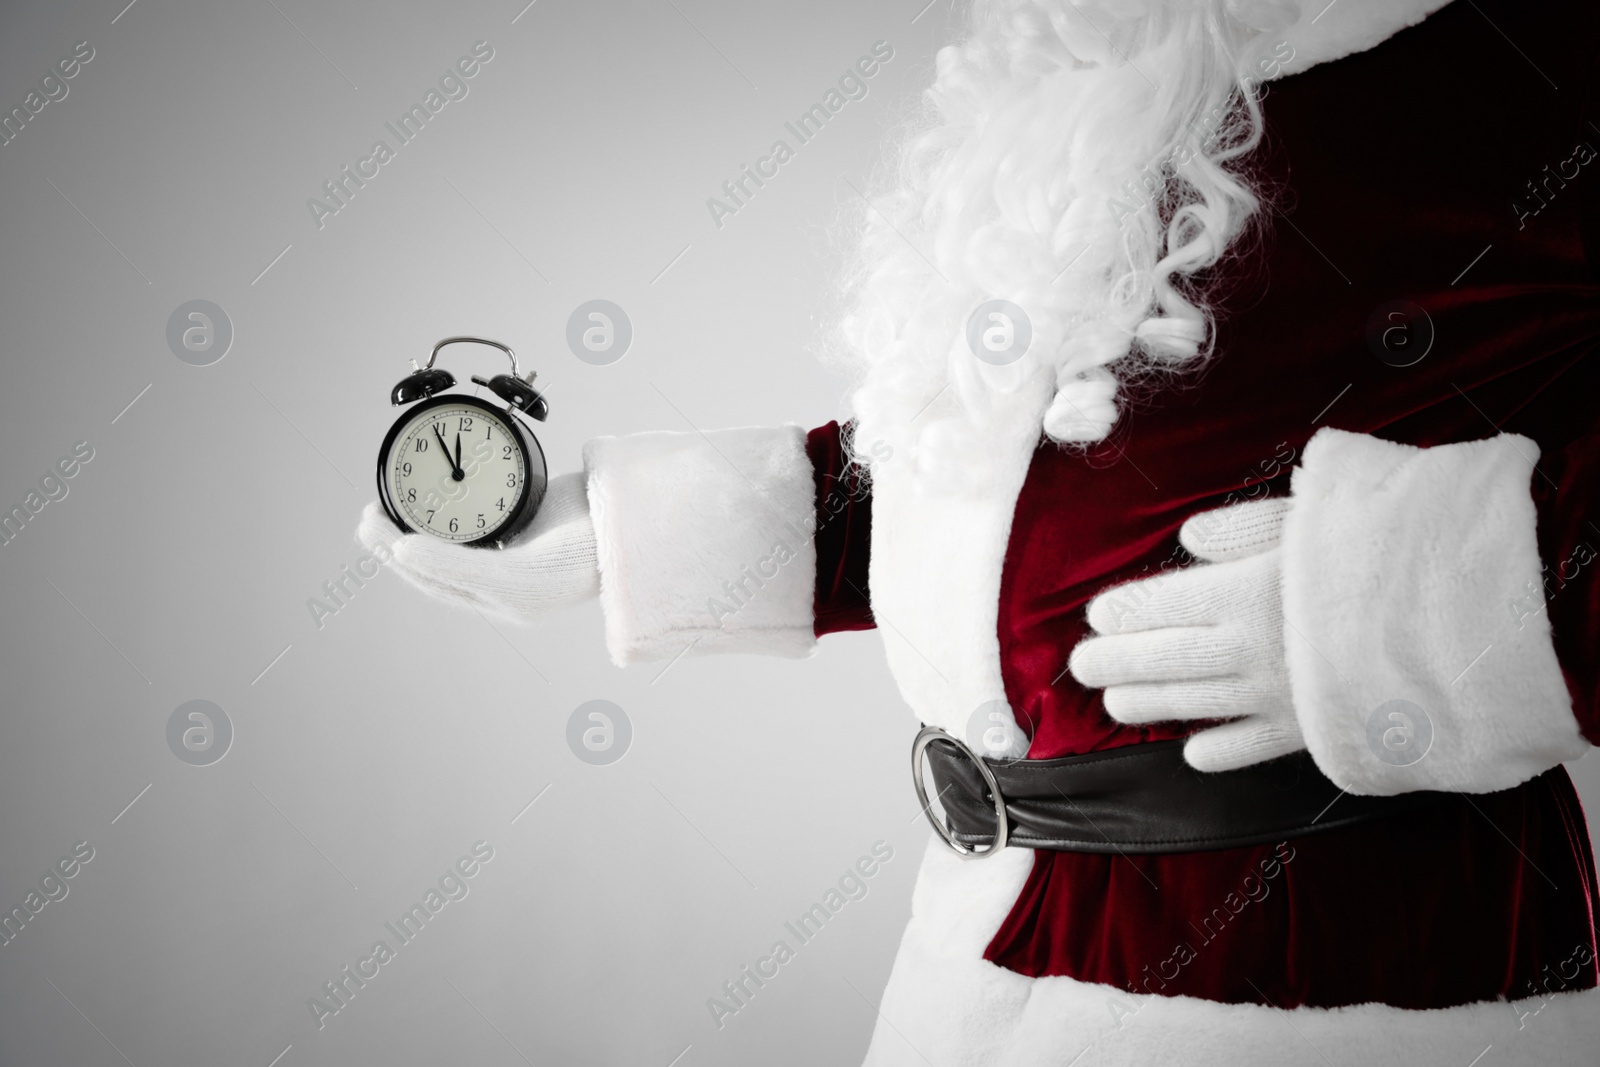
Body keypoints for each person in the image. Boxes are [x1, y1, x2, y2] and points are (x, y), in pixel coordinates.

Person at [358, 0, 1600, 1062]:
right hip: (975, 954)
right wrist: (624, 532)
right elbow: (972, 473)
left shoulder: (1533, 57)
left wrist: (1436, 605)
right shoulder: (1068, 70)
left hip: (1333, 972)